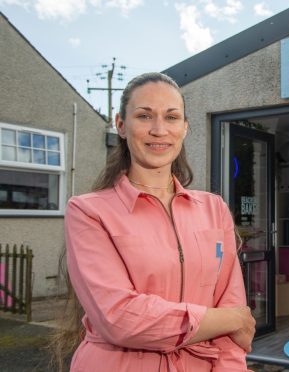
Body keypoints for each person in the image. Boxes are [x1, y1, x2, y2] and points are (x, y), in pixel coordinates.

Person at [59, 72, 255, 371]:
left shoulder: (213, 208)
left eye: (172, 117)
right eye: (144, 116)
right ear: (121, 125)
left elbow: (232, 320)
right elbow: (120, 319)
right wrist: (231, 319)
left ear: (185, 127)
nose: (159, 129)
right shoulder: (89, 211)